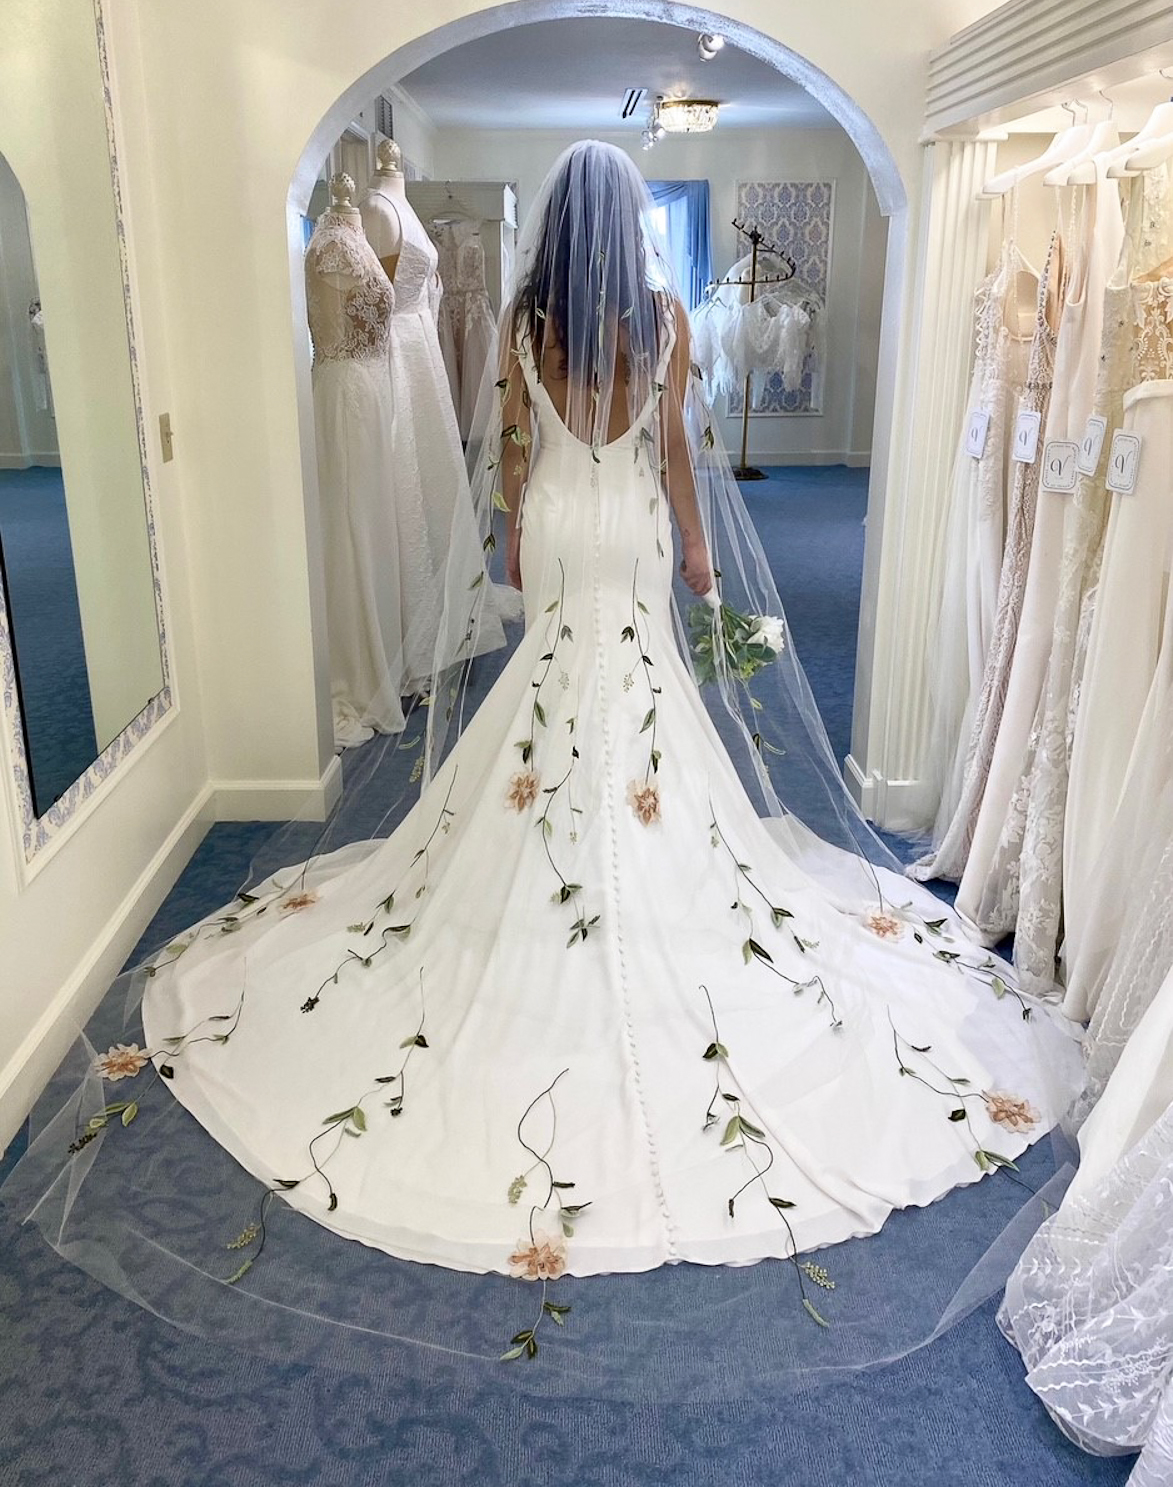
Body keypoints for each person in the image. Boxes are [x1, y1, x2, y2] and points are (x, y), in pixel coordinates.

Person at [4, 142, 1079, 1387]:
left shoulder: (528, 322)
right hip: (629, 526)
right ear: (629, 227)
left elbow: (515, 453)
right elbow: (674, 451)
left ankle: (532, 874)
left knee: (553, 693)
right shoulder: (663, 320)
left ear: (558, 226)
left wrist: (517, 535)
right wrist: (696, 555)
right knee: (647, 698)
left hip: (567, 527)